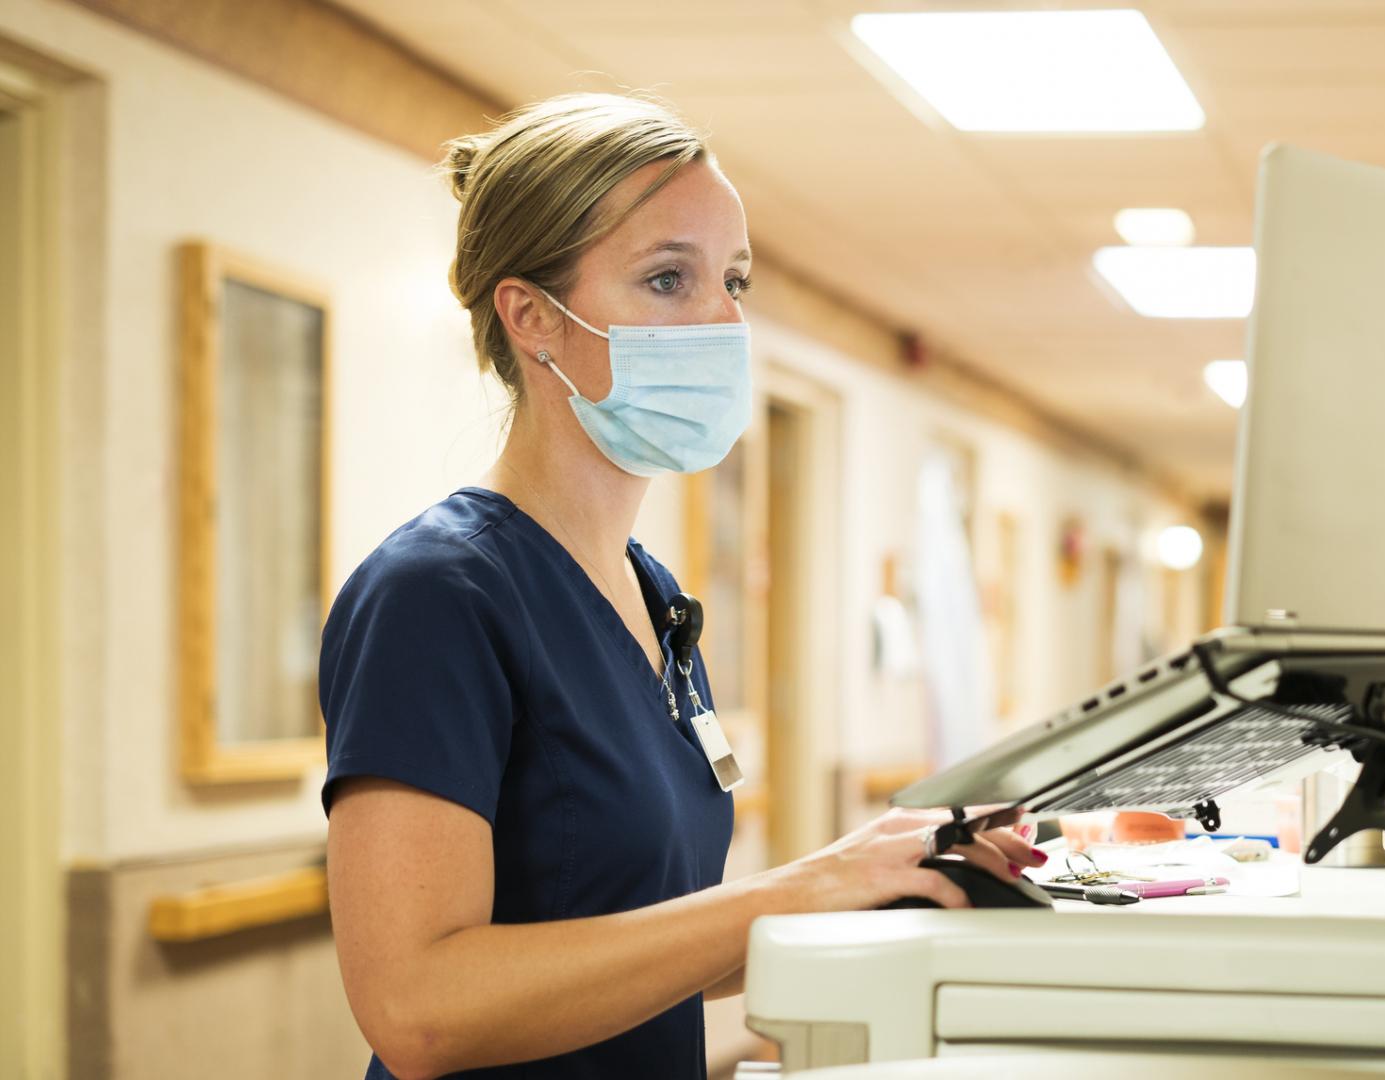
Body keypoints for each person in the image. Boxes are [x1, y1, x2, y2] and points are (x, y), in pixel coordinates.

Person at [320, 92, 1040, 1080]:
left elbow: (622, 946)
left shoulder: (653, 599)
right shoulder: (438, 595)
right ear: (531, 318)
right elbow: (417, 1011)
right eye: (668, 279)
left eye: (733, 280)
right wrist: (798, 889)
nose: (722, 321)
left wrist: (871, 875)